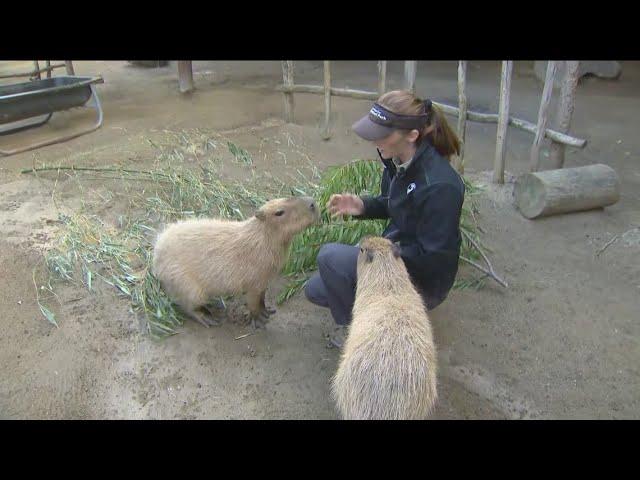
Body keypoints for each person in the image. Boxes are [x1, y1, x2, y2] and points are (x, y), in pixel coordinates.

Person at [304, 89, 465, 348]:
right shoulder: (398, 159)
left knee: (328, 257)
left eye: (382, 135)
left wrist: (381, 252)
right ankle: (375, 313)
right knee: (317, 289)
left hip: (421, 279)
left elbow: (435, 258)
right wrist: (362, 206)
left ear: (412, 135)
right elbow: (395, 204)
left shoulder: (441, 187)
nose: (374, 141)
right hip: (396, 251)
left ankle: (360, 335)